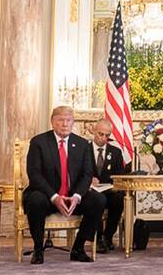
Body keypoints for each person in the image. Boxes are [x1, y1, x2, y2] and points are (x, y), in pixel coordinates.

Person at [23, 105, 104, 264]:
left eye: (69, 120)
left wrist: (77, 196)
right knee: (35, 200)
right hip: (47, 196)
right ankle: (38, 249)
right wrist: (54, 197)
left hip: (72, 197)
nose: (65, 124)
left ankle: (78, 248)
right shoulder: (39, 142)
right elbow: (34, 174)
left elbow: (87, 175)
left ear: (73, 122)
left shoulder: (82, 144)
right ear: (52, 122)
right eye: (61, 120)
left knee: (98, 200)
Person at [89, 118, 126, 252]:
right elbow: (76, 172)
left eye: (107, 135)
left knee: (118, 200)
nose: (104, 138)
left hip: (109, 191)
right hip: (89, 191)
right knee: (97, 200)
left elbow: (119, 176)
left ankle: (108, 237)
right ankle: (97, 239)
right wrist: (88, 180)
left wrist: (113, 185)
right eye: (101, 134)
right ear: (94, 131)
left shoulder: (115, 152)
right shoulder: (84, 149)